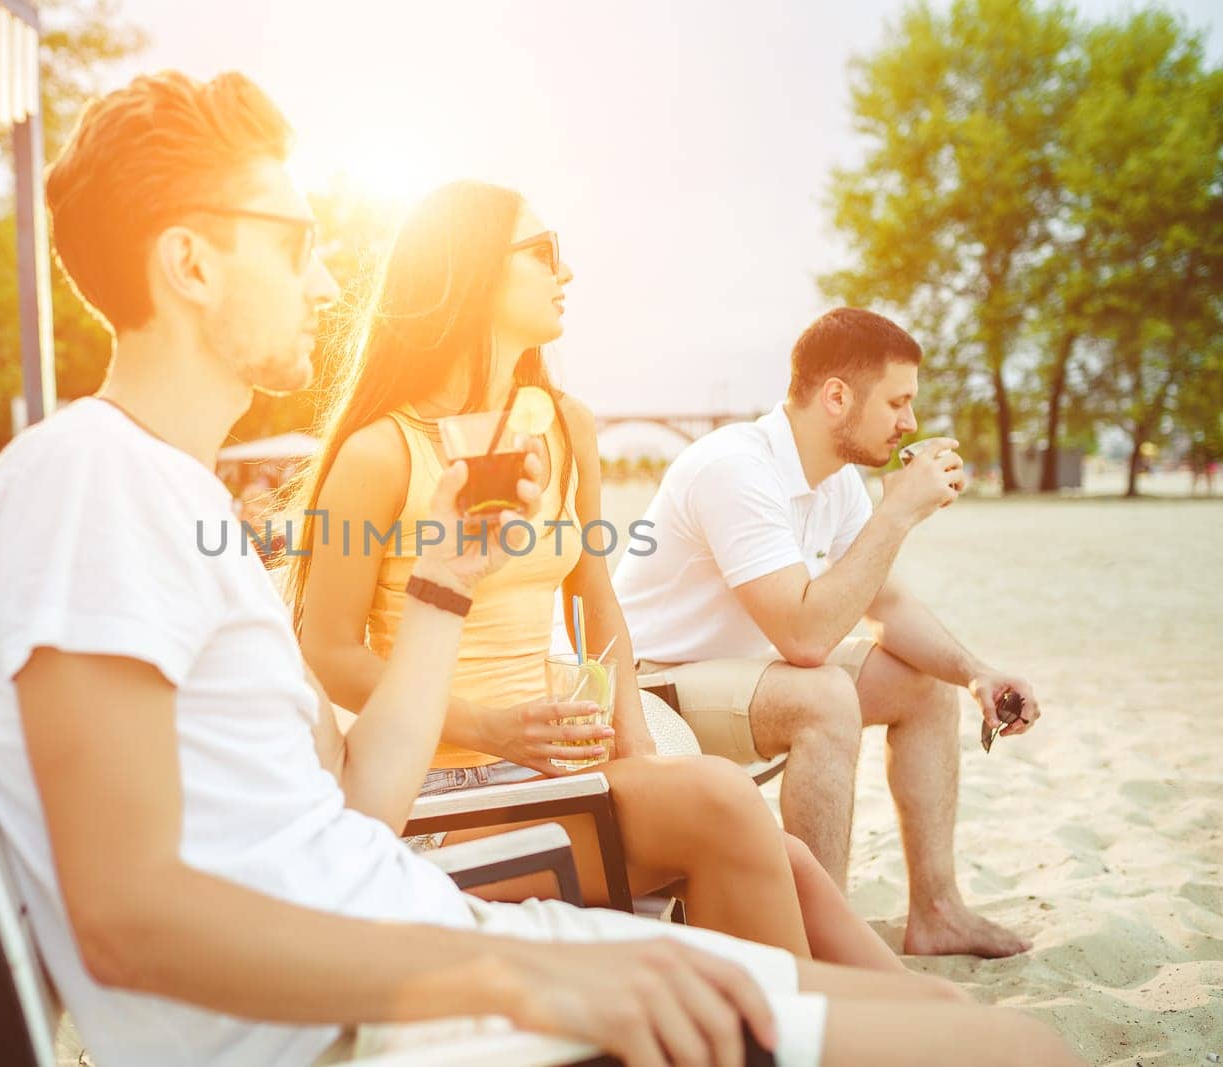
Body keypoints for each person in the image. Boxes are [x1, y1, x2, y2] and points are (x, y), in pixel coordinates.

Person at [0, 69, 1082, 1066]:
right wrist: (514, 976)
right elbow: (126, 919)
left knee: (940, 1018)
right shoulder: (88, 483)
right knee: (1002, 1046)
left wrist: (442, 584)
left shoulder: (157, 487)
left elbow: (352, 805)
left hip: (424, 948)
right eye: (294, 244)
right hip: (391, 1009)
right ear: (188, 261)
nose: (329, 282)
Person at [286, 180, 899, 973]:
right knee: (724, 803)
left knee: (793, 867)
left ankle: (918, 1028)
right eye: (541, 253)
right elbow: (328, 649)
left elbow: (597, 597)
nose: (565, 272)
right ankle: (821, 1028)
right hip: (441, 792)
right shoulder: (381, 453)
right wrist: (490, 727)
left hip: (553, 769)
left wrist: (636, 745)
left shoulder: (564, 423)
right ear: (471, 271)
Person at [612, 307, 1044, 959]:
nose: (911, 423)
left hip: (740, 678)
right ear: (836, 397)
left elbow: (886, 603)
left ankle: (938, 911)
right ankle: (821, 939)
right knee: (823, 694)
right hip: (649, 690)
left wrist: (976, 671)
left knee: (923, 687)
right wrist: (897, 511)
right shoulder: (735, 467)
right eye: (898, 401)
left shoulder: (836, 481)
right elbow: (806, 639)